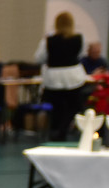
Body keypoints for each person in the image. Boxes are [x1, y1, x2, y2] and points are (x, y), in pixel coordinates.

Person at [35, 11, 88, 141]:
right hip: (73, 77)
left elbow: (39, 58)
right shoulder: (79, 38)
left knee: (57, 107)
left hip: (54, 79)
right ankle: (63, 129)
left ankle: (57, 131)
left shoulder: (48, 40)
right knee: (75, 106)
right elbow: (80, 54)